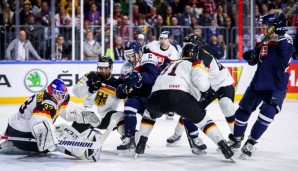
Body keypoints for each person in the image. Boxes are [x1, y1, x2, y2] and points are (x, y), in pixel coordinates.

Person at [143, 43, 234, 160]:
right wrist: (206, 91)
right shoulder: (196, 61)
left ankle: (141, 141)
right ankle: (222, 145)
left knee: (149, 114)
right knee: (200, 117)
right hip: (199, 89)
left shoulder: (177, 62)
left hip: (220, 85)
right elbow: (201, 83)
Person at [228, 13, 294, 158]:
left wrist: (281, 33)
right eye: (262, 27)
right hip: (259, 81)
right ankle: (236, 140)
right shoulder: (261, 40)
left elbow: (284, 56)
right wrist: (250, 57)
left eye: (266, 27)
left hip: (276, 84)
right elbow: (257, 59)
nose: (263, 30)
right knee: (241, 113)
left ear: (275, 27)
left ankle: (251, 142)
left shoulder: (286, 40)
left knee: (267, 113)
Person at [0, 79, 102, 161]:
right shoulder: (46, 102)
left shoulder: (54, 97)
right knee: (61, 131)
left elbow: (67, 109)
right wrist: (48, 137)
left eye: (62, 95)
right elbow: (37, 121)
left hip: (12, 129)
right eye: (59, 94)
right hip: (24, 134)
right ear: (52, 92)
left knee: (52, 135)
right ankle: (81, 150)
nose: (61, 97)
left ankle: (11, 144)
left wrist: (81, 113)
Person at [166, 33, 236, 154]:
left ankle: (236, 138)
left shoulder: (202, 57)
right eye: (185, 45)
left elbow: (196, 78)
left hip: (222, 83)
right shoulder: (189, 54)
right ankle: (178, 134)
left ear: (197, 46)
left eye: (189, 45)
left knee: (226, 105)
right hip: (207, 86)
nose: (186, 47)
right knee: (190, 110)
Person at [71, 56, 125, 147]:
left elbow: (128, 99)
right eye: (101, 68)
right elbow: (76, 92)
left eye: (106, 68)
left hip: (106, 118)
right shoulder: (90, 75)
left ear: (111, 68)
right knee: (73, 139)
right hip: (88, 116)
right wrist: (88, 85)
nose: (103, 71)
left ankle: (127, 137)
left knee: (124, 116)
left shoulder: (117, 84)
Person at [116, 53, 159, 153]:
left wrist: (139, 76)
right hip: (143, 100)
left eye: (132, 55)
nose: (131, 58)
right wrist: (122, 89)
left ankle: (193, 135)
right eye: (128, 56)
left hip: (156, 101)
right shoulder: (130, 69)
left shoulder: (148, 62)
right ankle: (129, 137)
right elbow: (122, 87)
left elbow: (152, 76)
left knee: (185, 109)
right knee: (130, 103)